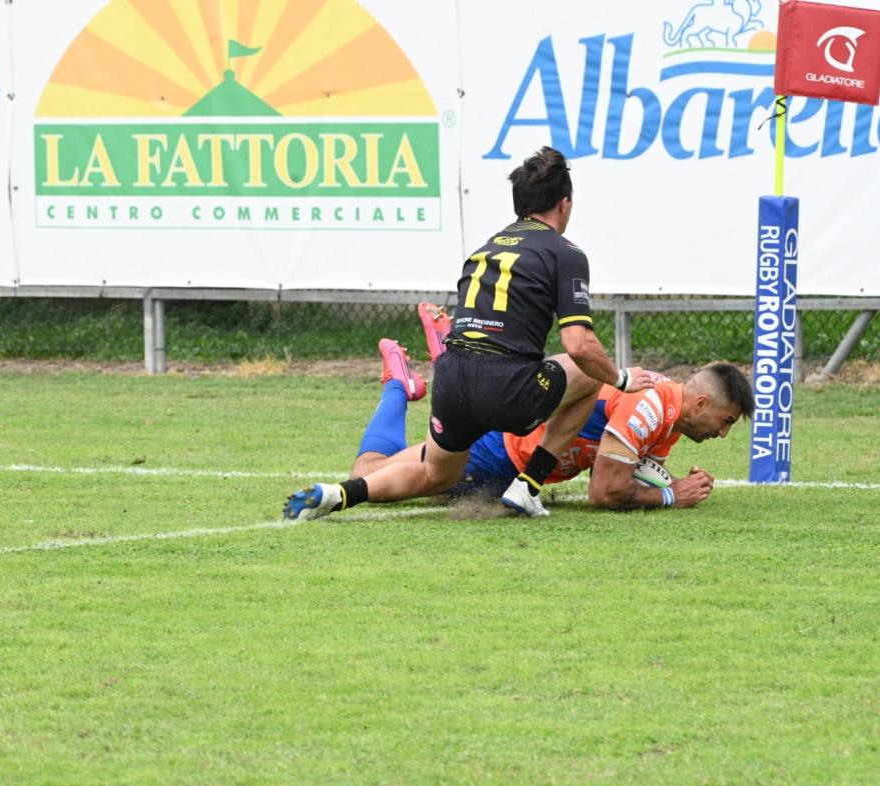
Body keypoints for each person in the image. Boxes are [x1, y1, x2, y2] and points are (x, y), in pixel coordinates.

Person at [284, 146, 655, 520]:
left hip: (452, 380)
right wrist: (620, 379)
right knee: (590, 375)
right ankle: (529, 485)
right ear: (564, 204)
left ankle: (339, 494)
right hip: (507, 389)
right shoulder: (566, 253)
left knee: (435, 475)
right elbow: (578, 344)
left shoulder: (485, 249)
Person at [347, 321, 754, 509]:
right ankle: (398, 383)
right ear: (702, 404)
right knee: (366, 473)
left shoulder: (669, 420)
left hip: (514, 465)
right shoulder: (649, 406)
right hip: (500, 450)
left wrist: (672, 483)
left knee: (430, 490)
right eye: (726, 421)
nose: (723, 434)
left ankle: (442, 357)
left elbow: (625, 474)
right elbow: (605, 491)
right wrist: (671, 495)